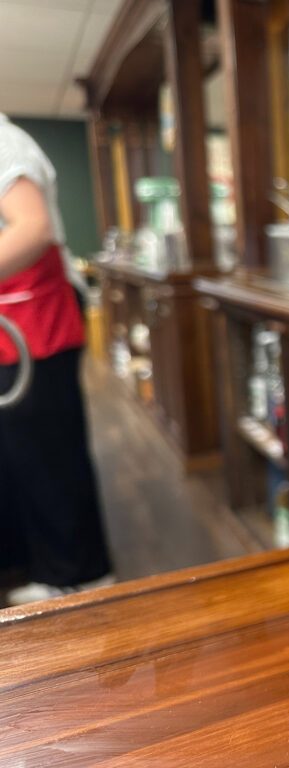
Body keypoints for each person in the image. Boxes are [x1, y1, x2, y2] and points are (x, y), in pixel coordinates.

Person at [0, 114, 112, 605]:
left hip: (35, 325)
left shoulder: (4, 144)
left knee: (48, 456)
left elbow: (33, 227)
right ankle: (44, 564)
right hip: (17, 324)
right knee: (24, 454)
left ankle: (78, 577)